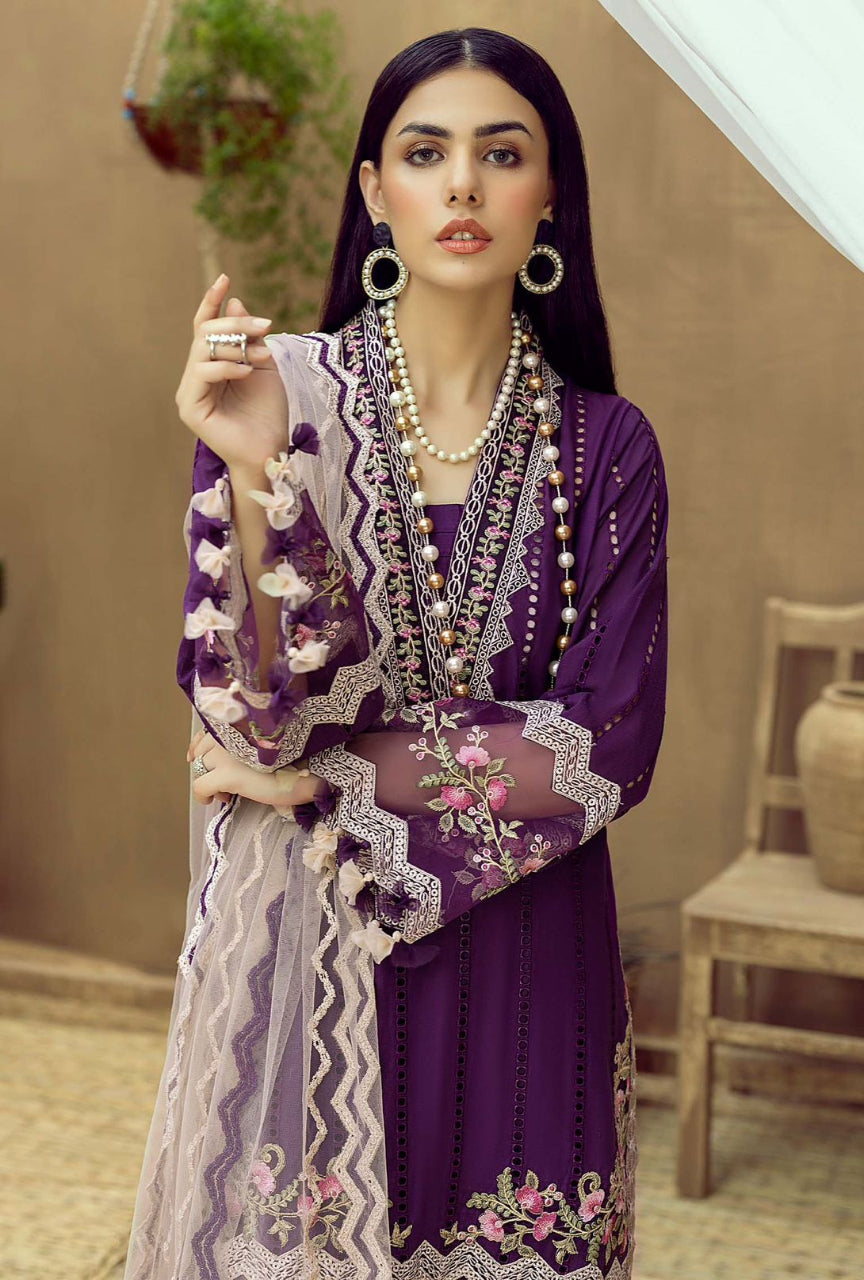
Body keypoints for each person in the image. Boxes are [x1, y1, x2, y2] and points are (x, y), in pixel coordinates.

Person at [124, 27, 668, 1280]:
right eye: (427, 152)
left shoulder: (607, 446)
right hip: (312, 951)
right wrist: (258, 463)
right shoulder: (281, 392)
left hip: (530, 962)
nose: (464, 184)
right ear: (376, 191)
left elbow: (611, 738)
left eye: (502, 152)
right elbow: (250, 717)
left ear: (550, 198)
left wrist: (332, 779)